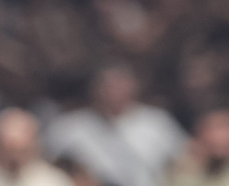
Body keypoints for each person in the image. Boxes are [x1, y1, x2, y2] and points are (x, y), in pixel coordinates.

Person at [45, 64, 188, 186]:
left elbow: (186, 160)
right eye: (107, 86)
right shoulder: (69, 126)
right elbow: (47, 164)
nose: (113, 92)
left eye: (120, 85)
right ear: (95, 89)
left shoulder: (157, 122)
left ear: (133, 87)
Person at [0, 108, 73, 186]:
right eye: (7, 149)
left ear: (34, 145)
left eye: (20, 150)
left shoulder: (53, 181)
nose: (13, 157)